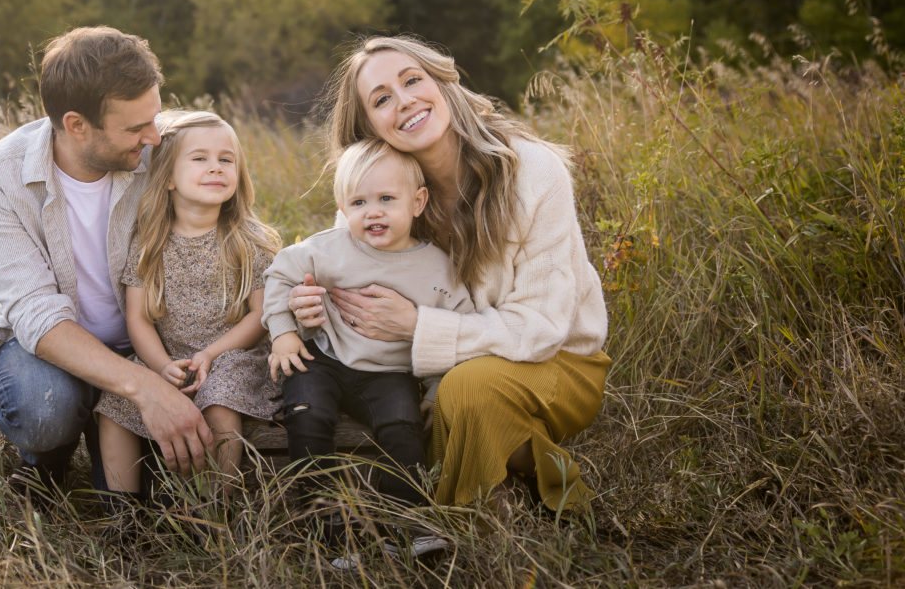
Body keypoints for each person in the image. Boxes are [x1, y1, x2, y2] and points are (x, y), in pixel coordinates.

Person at [288, 35, 610, 514]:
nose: (404, 102)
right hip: (434, 372)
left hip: (556, 364)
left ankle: (503, 494)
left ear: (443, 80)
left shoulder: (533, 172)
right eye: (381, 100)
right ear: (368, 126)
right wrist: (311, 310)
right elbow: (352, 302)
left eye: (412, 80)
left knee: (465, 390)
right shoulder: (377, 196)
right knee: (418, 397)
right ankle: (502, 470)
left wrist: (419, 326)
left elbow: (543, 329)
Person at [0, 26, 214, 500]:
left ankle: (115, 442)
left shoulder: (163, 150)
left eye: (155, 118)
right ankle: (46, 461)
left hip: (154, 340)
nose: (154, 137)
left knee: (154, 491)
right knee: (43, 408)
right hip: (55, 350)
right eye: (136, 128)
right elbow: (34, 312)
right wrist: (146, 389)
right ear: (77, 125)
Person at [262, 139, 476, 552]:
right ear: (343, 209)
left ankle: (406, 522)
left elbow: (457, 328)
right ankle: (322, 525)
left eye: (386, 199)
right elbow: (279, 276)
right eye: (358, 202)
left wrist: (435, 387)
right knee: (307, 413)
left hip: (389, 373)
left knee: (403, 426)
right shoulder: (328, 249)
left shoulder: (438, 267)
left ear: (417, 202)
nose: (372, 211)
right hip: (324, 357)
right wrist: (283, 331)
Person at [94, 110, 281, 495]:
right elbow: (139, 319)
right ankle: (121, 513)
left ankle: (211, 508)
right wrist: (161, 366)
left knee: (220, 400)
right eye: (200, 159)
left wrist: (212, 353)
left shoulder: (250, 242)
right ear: (166, 180)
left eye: (225, 159)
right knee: (114, 405)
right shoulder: (148, 246)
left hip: (233, 356)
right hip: (171, 358)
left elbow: (261, 316)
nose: (216, 168)